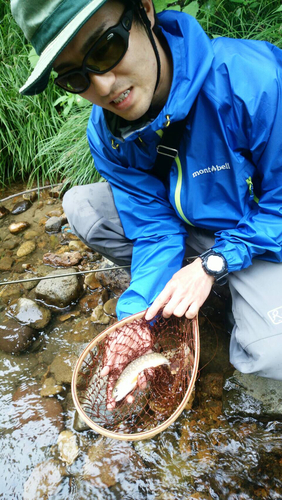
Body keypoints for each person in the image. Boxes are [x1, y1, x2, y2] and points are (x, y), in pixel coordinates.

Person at [11, 0, 282, 405]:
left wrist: (213, 265)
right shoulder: (106, 135)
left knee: (271, 352)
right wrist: (137, 318)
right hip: (193, 229)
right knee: (83, 206)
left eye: (104, 48)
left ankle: (229, 290)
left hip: (259, 232)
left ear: (144, 10)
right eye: (75, 78)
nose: (101, 86)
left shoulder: (256, 80)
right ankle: (204, 293)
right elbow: (154, 229)